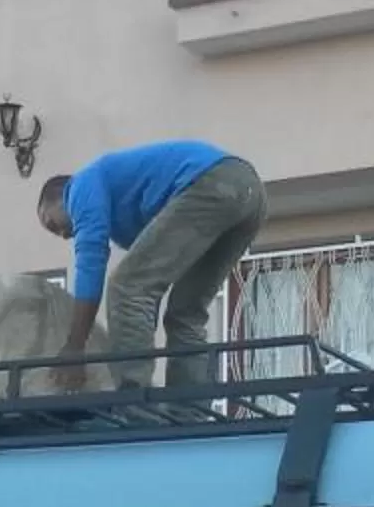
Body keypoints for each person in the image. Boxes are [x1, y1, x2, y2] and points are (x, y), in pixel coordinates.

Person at [38, 142, 267, 390]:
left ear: (60, 196)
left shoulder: (81, 186)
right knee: (186, 313)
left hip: (211, 181)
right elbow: (149, 296)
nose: (62, 234)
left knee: (126, 287)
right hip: (250, 195)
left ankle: (133, 406)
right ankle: (188, 413)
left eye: (52, 223)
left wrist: (75, 345)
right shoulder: (124, 218)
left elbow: (91, 264)